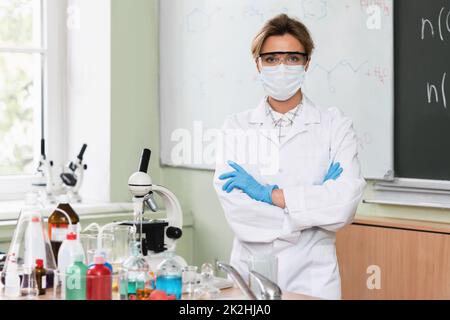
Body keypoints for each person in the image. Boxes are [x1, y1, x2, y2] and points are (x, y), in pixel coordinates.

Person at [213, 14, 366, 300]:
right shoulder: (236, 127)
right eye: (271, 59)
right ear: (257, 63)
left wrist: (270, 195)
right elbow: (240, 214)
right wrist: (313, 206)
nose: (282, 67)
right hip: (251, 275)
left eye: (293, 58)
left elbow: (344, 205)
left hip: (313, 279)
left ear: (307, 62)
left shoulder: (335, 125)